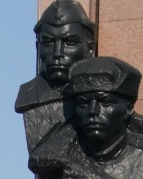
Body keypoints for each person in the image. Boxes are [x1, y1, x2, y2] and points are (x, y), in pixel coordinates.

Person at [14, 0, 97, 152]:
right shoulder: (28, 95)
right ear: (37, 46)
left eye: (69, 42)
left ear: (90, 46)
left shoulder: (100, 102)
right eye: (48, 43)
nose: (58, 53)